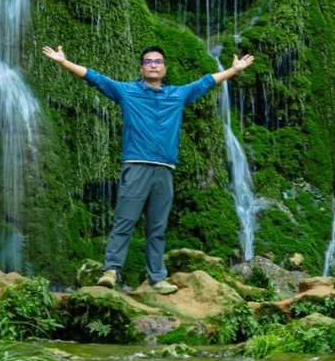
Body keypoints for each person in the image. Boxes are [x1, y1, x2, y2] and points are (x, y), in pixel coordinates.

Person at [43, 43, 255, 292]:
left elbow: (206, 82)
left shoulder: (177, 94)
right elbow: (96, 79)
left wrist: (234, 70)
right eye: (148, 62)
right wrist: (64, 62)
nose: (153, 65)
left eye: (157, 62)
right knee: (125, 220)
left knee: (157, 227)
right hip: (136, 165)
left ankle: (156, 278)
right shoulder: (127, 92)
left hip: (165, 169)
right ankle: (111, 270)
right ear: (141, 67)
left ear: (165, 68)